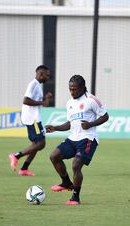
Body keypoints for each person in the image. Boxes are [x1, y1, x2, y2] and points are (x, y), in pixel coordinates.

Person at [45, 75, 109, 205]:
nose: (72, 92)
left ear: (83, 87)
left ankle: (75, 197)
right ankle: (67, 183)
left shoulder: (91, 100)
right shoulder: (70, 103)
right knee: (54, 156)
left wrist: (90, 124)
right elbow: (70, 123)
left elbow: (105, 116)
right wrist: (56, 128)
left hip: (88, 139)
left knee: (76, 165)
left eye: (74, 89)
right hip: (73, 138)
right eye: (70, 89)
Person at [9, 65, 52, 176]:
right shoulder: (33, 84)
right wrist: (42, 103)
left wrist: (45, 100)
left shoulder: (38, 86)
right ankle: (16, 156)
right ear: (41, 74)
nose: (48, 77)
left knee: (35, 144)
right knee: (41, 144)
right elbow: (26, 100)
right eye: (47, 75)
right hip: (33, 119)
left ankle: (24, 169)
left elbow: (37, 102)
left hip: (33, 117)